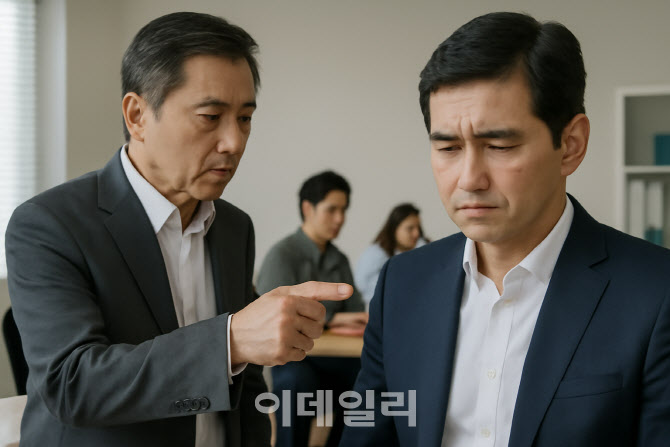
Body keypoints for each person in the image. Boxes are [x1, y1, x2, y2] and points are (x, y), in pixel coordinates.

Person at [5, 12, 355, 447]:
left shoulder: (234, 227)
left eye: (245, 118)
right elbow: (71, 385)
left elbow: (246, 388)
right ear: (137, 115)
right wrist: (228, 342)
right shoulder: (49, 224)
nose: (234, 142)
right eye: (210, 116)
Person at [340, 12, 670, 447]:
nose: (469, 179)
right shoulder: (402, 284)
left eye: (499, 145)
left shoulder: (655, 292)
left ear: (570, 145)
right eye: (448, 147)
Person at [256, 170, 367, 447]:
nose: (340, 219)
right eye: (332, 210)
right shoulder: (282, 255)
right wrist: (335, 318)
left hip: (333, 357)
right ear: (308, 208)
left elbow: (357, 313)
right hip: (294, 359)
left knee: (367, 378)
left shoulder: (339, 259)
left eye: (343, 210)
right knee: (295, 382)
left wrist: (335, 319)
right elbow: (273, 319)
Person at [354, 203, 427, 304]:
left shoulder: (420, 251)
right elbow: (363, 288)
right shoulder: (375, 254)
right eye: (410, 228)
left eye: (418, 228)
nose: (416, 234)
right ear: (394, 229)